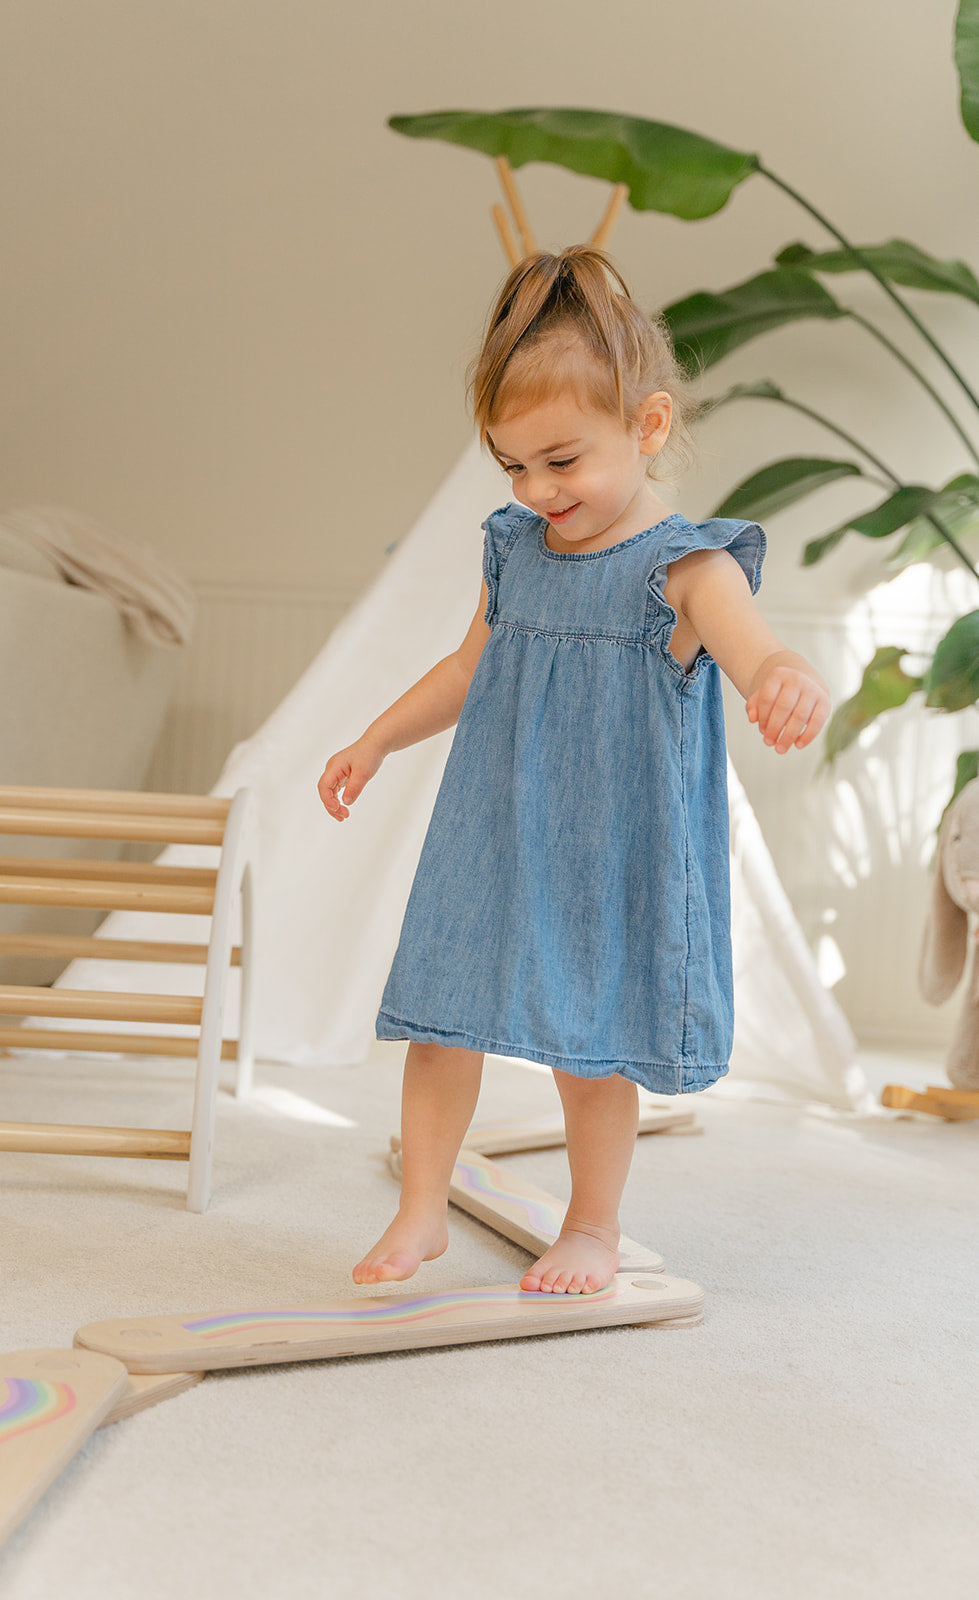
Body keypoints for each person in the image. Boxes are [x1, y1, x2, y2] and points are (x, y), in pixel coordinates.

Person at [317, 245, 831, 1297]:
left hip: (605, 843)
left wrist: (780, 676)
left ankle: (590, 1226)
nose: (536, 489)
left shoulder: (685, 566)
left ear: (645, 427)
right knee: (437, 1014)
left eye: (560, 460)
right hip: (492, 825)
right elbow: (469, 666)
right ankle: (420, 1208)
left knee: (589, 1049)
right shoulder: (513, 549)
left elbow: (749, 648)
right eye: (511, 466)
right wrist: (374, 736)